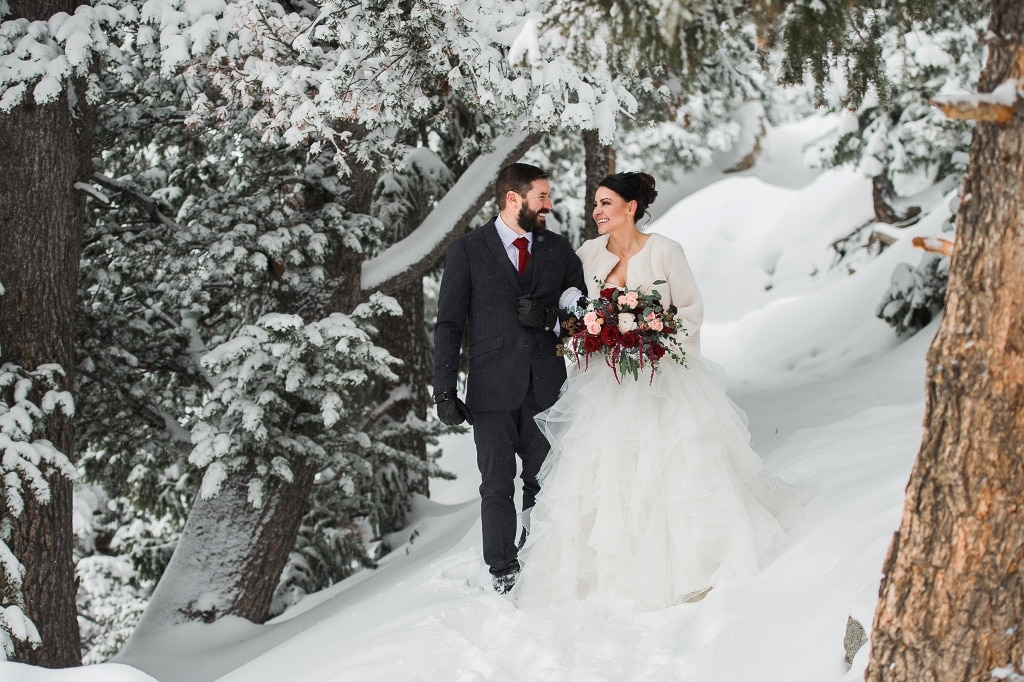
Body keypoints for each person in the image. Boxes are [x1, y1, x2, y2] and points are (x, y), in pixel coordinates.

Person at [514, 171, 793, 609]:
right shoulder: (587, 254)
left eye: (606, 203)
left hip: (661, 380)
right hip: (604, 382)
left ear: (631, 208)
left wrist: (656, 337)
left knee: (670, 468)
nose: (597, 211)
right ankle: (612, 573)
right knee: (605, 471)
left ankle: (689, 563)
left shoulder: (665, 251)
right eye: (595, 204)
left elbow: (691, 308)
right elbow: (570, 303)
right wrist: (580, 330)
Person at [433, 162, 586, 594]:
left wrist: (550, 320)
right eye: (542, 196)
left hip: (546, 388)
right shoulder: (467, 250)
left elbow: (580, 316)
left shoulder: (558, 249)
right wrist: (443, 390)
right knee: (496, 484)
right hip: (491, 389)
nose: (549, 205)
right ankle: (502, 569)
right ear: (513, 199)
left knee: (545, 480)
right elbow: (448, 324)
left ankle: (540, 555)